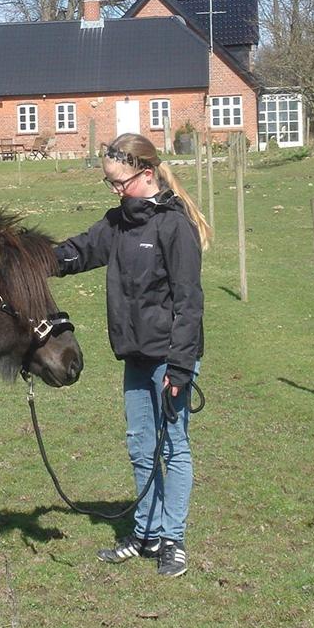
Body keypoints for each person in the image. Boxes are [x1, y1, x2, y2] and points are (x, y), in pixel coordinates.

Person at [53, 132, 211, 577]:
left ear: (146, 174)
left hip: (169, 359)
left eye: (120, 182)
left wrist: (180, 367)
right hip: (135, 356)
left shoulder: (174, 226)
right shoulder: (119, 222)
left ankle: (173, 541)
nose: (116, 191)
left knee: (173, 448)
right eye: (110, 184)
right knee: (141, 448)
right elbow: (80, 250)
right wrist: (32, 259)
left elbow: (189, 302)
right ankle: (145, 534)